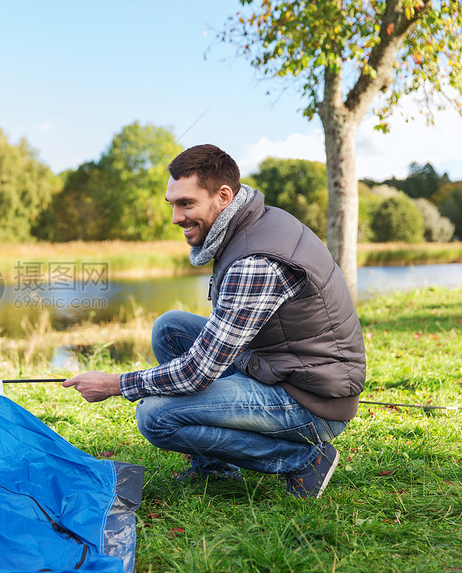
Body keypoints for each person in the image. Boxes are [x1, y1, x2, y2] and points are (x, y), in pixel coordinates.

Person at [63, 144, 365, 499]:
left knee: (156, 416)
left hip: (312, 401)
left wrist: (117, 383)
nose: (176, 217)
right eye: (172, 204)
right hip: (278, 367)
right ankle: (216, 469)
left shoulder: (256, 259)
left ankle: (302, 459)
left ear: (223, 196)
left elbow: (197, 373)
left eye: (186, 204)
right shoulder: (254, 221)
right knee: (170, 328)